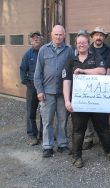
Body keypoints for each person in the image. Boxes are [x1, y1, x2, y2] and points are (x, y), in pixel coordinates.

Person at [63, 30, 110, 168]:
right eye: (79, 43)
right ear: (76, 45)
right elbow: (66, 81)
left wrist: (83, 71)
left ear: (88, 44)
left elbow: (102, 71)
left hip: (96, 102)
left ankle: (109, 151)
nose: (82, 45)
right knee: (78, 130)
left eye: (84, 42)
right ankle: (77, 157)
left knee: (103, 128)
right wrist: (67, 101)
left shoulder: (96, 56)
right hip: (79, 103)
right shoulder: (70, 61)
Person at [34, 25, 73, 158]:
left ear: (64, 35)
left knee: (62, 120)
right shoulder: (44, 50)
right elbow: (38, 72)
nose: (58, 37)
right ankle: (47, 146)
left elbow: (73, 69)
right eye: (56, 34)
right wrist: (39, 91)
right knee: (47, 121)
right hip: (47, 92)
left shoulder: (69, 50)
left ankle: (62, 144)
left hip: (63, 93)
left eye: (60, 35)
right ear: (51, 35)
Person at [82, 27, 110, 150]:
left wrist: (107, 79)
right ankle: (88, 138)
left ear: (104, 37)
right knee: (88, 112)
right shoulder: (87, 50)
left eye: (101, 35)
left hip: (104, 86)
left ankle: (102, 138)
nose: (98, 37)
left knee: (103, 113)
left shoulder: (109, 50)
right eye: (96, 35)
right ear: (92, 37)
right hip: (89, 86)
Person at [20, 31, 43, 146]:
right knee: (31, 112)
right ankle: (32, 135)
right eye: (33, 38)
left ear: (41, 39)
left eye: (37, 37)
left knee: (45, 112)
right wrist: (27, 83)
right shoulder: (27, 55)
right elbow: (22, 70)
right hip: (32, 87)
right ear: (30, 40)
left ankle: (43, 134)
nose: (35, 39)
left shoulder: (45, 52)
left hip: (44, 86)